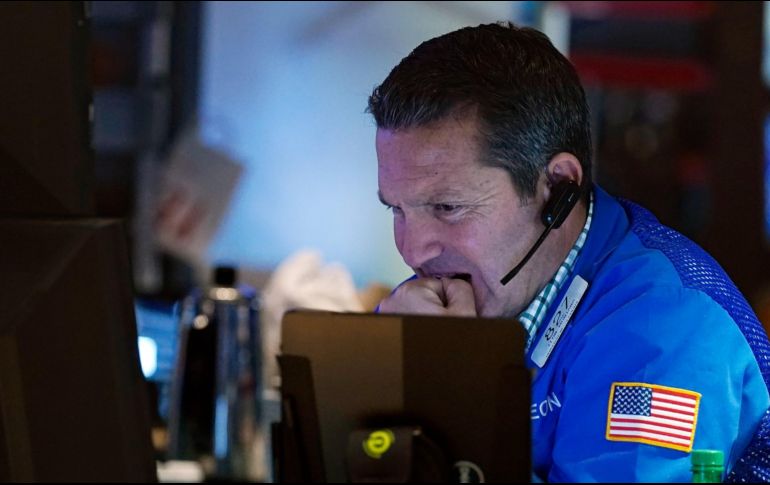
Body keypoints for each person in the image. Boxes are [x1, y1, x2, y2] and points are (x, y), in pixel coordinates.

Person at [367, 22, 770, 482]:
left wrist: (450, 394)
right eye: (397, 209)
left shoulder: (667, 326)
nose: (413, 250)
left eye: (448, 207)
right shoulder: (473, 293)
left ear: (557, 187)